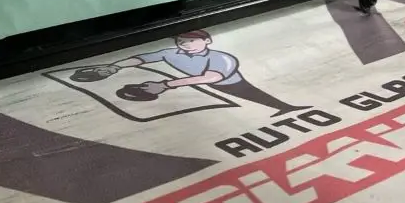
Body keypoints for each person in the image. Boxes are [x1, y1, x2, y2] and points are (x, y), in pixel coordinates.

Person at [108, 30, 311, 117]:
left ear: (207, 41)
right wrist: (115, 66)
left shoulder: (221, 58)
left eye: (191, 40)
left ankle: (286, 108)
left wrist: (165, 85)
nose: (185, 44)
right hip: (211, 83)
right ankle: (285, 108)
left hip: (229, 84)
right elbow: (143, 58)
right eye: (181, 41)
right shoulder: (170, 53)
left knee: (251, 94)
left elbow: (211, 77)